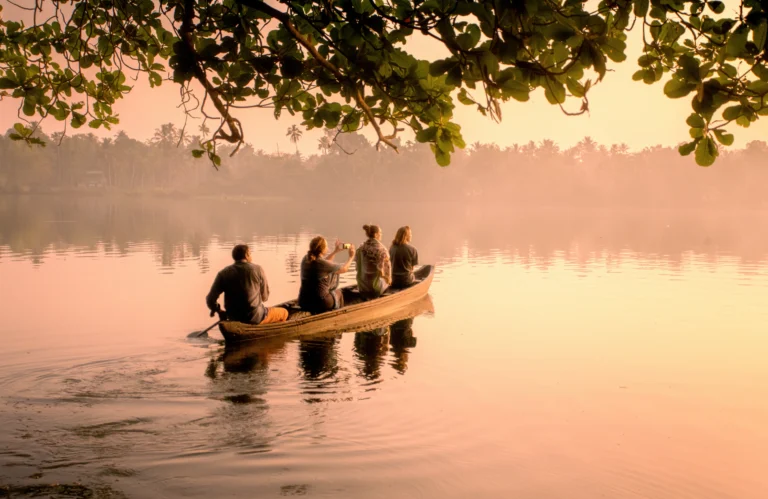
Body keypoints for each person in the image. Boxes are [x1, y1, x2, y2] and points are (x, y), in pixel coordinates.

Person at [206, 244, 288, 324]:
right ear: (246, 255)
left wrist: (219, 311)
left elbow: (210, 299)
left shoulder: (223, 273)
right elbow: (265, 297)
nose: (251, 257)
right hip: (255, 317)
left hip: (233, 317)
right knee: (284, 312)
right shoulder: (258, 269)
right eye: (250, 254)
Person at [298, 236, 355, 314]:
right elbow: (344, 269)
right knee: (339, 293)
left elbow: (325, 263)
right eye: (326, 246)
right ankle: (340, 316)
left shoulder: (306, 259)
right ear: (322, 249)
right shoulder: (321, 263)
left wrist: (335, 251)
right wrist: (351, 257)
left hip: (303, 301)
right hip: (320, 302)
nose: (327, 248)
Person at [355, 224, 392, 300]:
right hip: (375, 290)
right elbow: (386, 274)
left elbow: (357, 268)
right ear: (376, 234)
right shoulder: (382, 250)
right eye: (380, 232)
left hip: (361, 288)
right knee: (388, 281)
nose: (381, 234)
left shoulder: (360, 248)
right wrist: (389, 280)